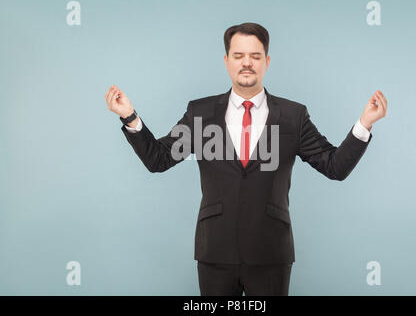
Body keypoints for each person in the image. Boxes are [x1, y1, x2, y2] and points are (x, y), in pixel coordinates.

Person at [104, 22, 387, 296]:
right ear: (227, 60)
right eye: (239, 56)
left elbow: (334, 166)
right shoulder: (200, 113)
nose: (247, 63)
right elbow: (159, 159)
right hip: (215, 250)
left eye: (255, 56)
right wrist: (130, 117)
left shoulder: (293, 116)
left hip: (270, 252)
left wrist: (364, 123)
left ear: (267, 61)